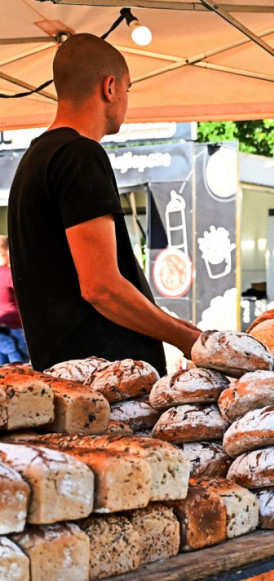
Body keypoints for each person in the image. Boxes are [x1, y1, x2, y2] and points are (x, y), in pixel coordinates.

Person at [7, 34, 200, 374]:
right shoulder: (79, 154)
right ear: (109, 87)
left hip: (71, 376)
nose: (126, 98)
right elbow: (102, 287)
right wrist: (185, 337)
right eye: (128, 88)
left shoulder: (36, 158)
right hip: (103, 383)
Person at [0, 237, 29, 364]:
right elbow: (26, 294)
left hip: (1, 326)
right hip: (14, 325)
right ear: (6, 252)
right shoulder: (8, 274)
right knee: (21, 362)